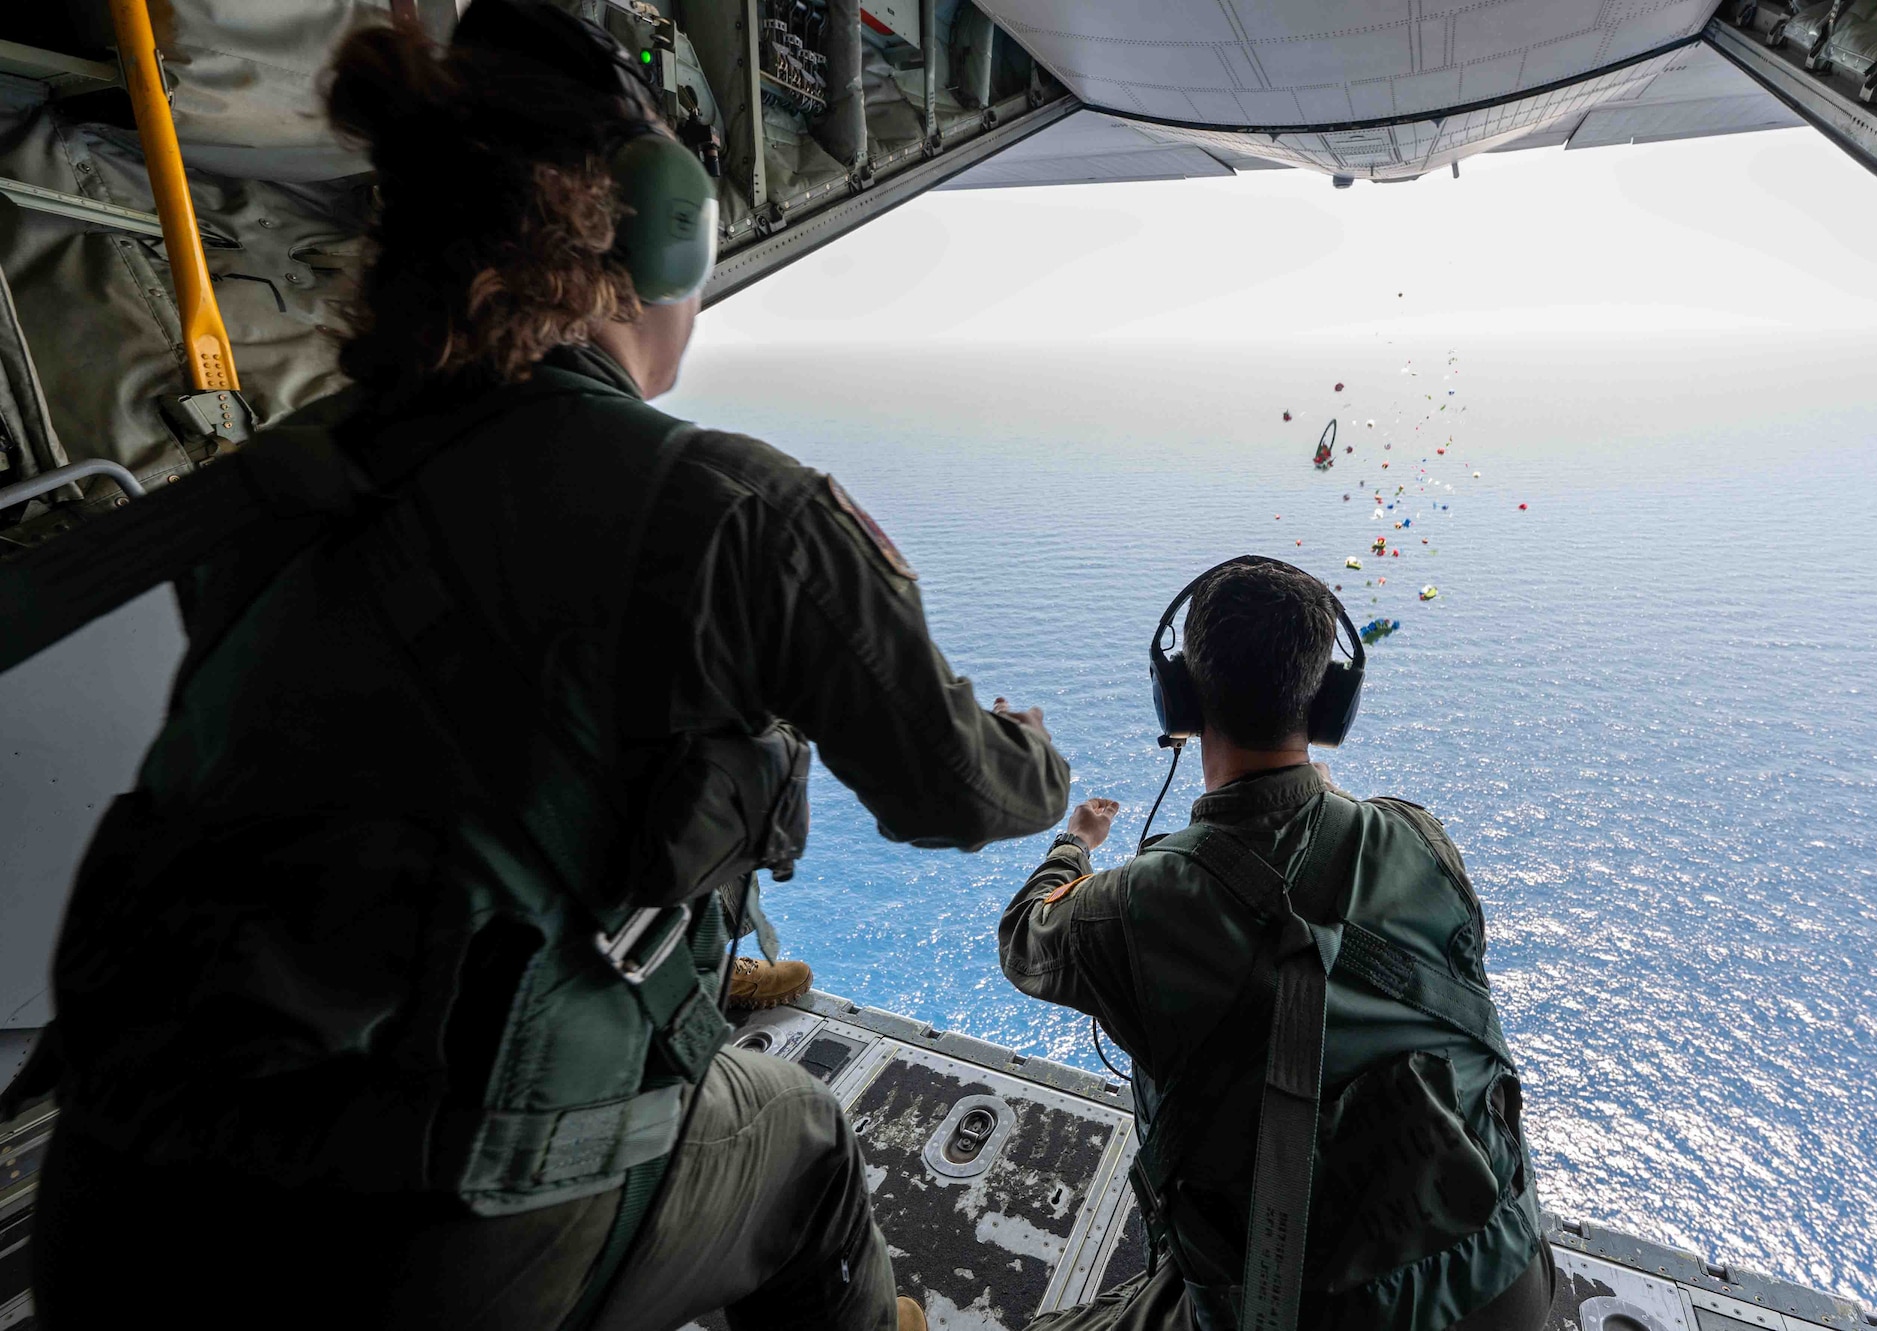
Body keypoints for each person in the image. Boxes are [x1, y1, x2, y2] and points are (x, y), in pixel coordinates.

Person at [23, 6, 1068, 1330]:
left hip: (115, 1208)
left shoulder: (283, 487)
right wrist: (1040, 750)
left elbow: (430, 776)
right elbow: (956, 792)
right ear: (663, 238)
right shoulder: (739, 509)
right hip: (398, 1251)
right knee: (803, 1142)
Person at [998, 557, 1551, 1331]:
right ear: (1327, 705)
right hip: (1507, 1282)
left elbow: (1024, 936)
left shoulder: (1134, 905)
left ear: (1182, 698)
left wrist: (1074, 844)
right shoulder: (1420, 839)